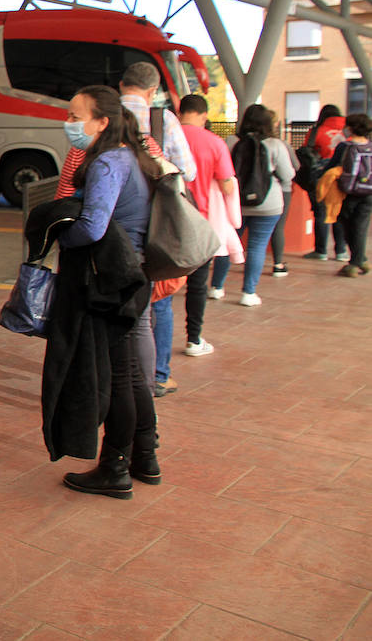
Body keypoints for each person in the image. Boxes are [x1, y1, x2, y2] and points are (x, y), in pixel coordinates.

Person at [54, 85, 161, 499]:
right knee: (132, 372)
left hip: (113, 279)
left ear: (102, 122)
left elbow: (93, 227)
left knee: (118, 375)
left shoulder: (107, 163)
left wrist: (62, 237)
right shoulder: (131, 156)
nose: (70, 122)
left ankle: (115, 465)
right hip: (133, 274)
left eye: (76, 114)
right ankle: (145, 456)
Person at [169, 94, 238, 368]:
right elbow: (227, 184)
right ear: (203, 115)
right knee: (197, 285)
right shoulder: (215, 142)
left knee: (160, 283)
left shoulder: (163, 136)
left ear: (180, 111)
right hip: (201, 223)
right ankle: (193, 339)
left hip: (167, 220)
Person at [210, 105, 294, 307]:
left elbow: (222, 170)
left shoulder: (232, 141)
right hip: (268, 203)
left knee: (228, 243)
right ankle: (248, 293)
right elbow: (288, 175)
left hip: (235, 202)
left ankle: (216, 287)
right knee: (257, 246)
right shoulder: (276, 144)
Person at [303, 104, 348, 261]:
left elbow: (306, 152)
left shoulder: (316, 131)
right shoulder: (349, 130)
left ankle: (321, 250)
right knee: (339, 213)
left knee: (321, 212)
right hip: (343, 176)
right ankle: (341, 251)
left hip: (321, 176)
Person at [331, 112, 372, 277]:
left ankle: (356, 262)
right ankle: (360, 259)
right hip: (369, 192)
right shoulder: (370, 146)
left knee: (344, 224)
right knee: (361, 226)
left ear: (351, 128)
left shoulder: (347, 147)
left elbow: (336, 166)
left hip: (350, 192)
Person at [265, 115, 298, 277]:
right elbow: (290, 172)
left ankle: (223, 267)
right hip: (277, 192)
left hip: (243, 192)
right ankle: (278, 263)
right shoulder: (279, 145)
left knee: (240, 229)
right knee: (277, 227)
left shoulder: (237, 141)